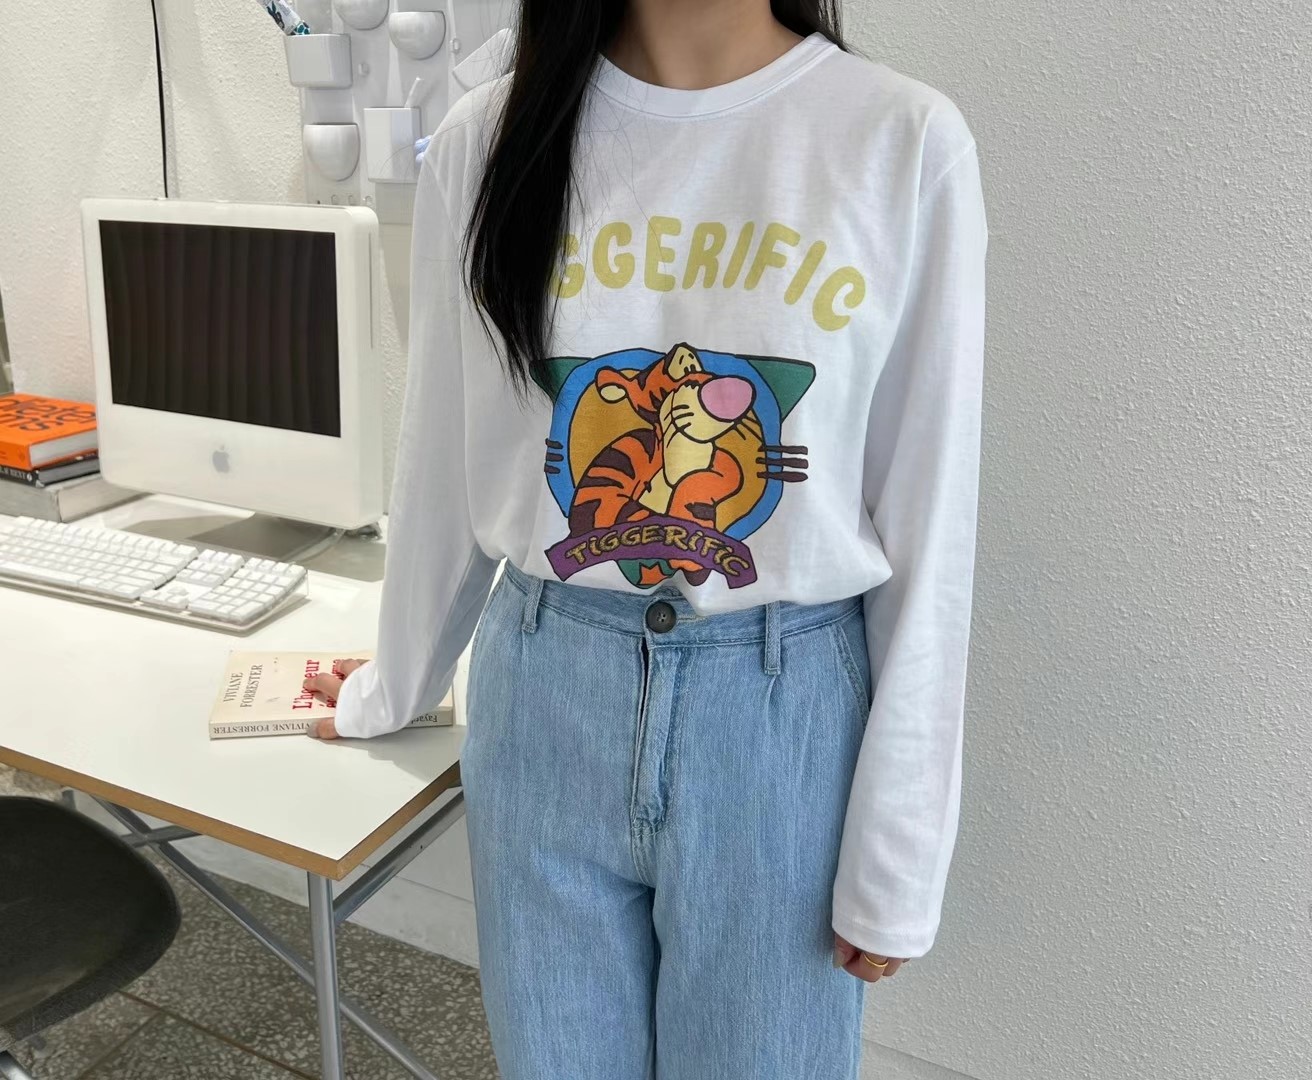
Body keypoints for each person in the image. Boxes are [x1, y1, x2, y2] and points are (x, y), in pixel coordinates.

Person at [303, 1, 988, 1076]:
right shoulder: (486, 142)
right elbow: (442, 452)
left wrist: (898, 854)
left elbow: (930, 522)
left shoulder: (898, 140)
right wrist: (393, 684)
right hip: (544, 692)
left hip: (779, 720)